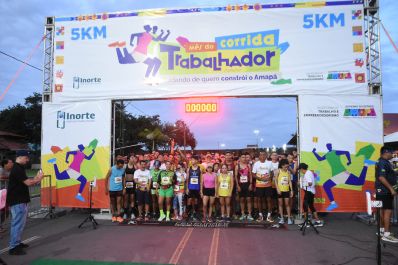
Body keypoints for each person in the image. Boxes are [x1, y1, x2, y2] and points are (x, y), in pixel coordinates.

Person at [312, 143, 375, 211]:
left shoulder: (335, 152)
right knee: (360, 182)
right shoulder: (327, 155)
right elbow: (320, 159)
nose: (329, 147)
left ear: (331, 146)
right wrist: (314, 152)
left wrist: (349, 160)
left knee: (326, 186)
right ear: (327, 147)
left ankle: (333, 203)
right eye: (328, 146)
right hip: (341, 174)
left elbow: (346, 152)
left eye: (329, 146)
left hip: (340, 174)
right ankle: (366, 164)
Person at [7, 150, 43, 255]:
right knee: (17, 224)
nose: (28, 160)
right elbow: (28, 183)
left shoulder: (19, 168)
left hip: (21, 200)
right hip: (17, 201)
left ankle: (17, 242)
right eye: (26, 158)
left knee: (20, 224)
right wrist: (38, 179)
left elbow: (27, 181)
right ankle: (13, 247)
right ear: (21, 157)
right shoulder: (17, 169)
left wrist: (36, 178)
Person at [375, 147, 398, 243]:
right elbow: (381, 177)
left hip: (382, 191)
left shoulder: (382, 161)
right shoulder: (382, 162)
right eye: (391, 153)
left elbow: (387, 174)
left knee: (383, 210)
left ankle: (382, 230)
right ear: (386, 152)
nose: (392, 154)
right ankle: (386, 234)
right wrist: (391, 189)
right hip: (385, 191)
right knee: (387, 211)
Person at [298, 163, 323, 227]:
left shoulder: (307, 174)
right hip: (311, 192)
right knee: (311, 206)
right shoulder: (309, 172)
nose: (300, 171)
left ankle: (306, 223)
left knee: (305, 206)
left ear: (301, 169)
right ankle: (318, 221)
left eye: (300, 170)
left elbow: (310, 183)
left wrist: (302, 184)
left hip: (309, 192)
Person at [252, 152, 273, 222]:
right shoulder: (256, 164)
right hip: (259, 185)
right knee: (259, 200)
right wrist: (260, 179)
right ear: (259, 156)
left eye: (264, 154)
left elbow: (272, 173)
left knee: (269, 200)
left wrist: (269, 178)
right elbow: (253, 174)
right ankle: (260, 215)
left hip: (268, 185)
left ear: (266, 155)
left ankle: (269, 216)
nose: (263, 156)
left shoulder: (270, 163)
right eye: (261, 155)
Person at [235, 154, 253, 221]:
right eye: (243, 157)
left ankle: (249, 214)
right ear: (240, 158)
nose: (244, 158)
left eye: (245, 157)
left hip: (247, 184)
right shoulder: (237, 166)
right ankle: (242, 214)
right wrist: (237, 186)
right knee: (242, 200)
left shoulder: (248, 166)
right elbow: (236, 177)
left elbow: (250, 175)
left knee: (248, 199)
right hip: (240, 185)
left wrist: (251, 184)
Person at [274, 159, 293, 225]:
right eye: (285, 167)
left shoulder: (288, 172)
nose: (286, 168)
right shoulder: (278, 171)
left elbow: (290, 181)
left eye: (287, 167)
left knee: (287, 204)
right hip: (280, 190)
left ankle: (289, 218)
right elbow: (275, 181)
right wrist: (277, 189)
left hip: (286, 190)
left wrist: (291, 190)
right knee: (280, 204)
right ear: (282, 166)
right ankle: (281, 218)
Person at [186, 155, 201, 221]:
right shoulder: (189, 168)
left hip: (197, 187)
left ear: (197, 161)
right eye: (191, 160)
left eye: (193, 160)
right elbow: (187, 179)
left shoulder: (199, 169)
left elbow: (201, 180)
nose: (192, 161)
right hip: (190, 187)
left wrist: (200, 189)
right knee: (189, 200)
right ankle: (188, 214)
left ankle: (195, 214)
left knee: (196, 201)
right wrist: (187, 188)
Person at [123, 155, 137, 223]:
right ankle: (125, 213)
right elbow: (123, 177)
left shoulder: (135, 166)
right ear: (129, 159)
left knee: (132, 199)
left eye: (133, 158)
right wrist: (124, 186)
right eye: (132, 157)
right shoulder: (125, 166)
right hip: (126, 184)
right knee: (126, 199)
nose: (133, 158)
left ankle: (132, 213)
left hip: (133, 184)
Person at [0, 159, 13, 233]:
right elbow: (0, 177)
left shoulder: (9, 171)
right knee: (2, 210)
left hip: (6, 192)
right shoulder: (1, 169)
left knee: (6, 211)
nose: (12, 163)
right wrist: (10, 178)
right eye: (10, 162)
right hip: (1, 192)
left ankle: (0, 225)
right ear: (5, 164)